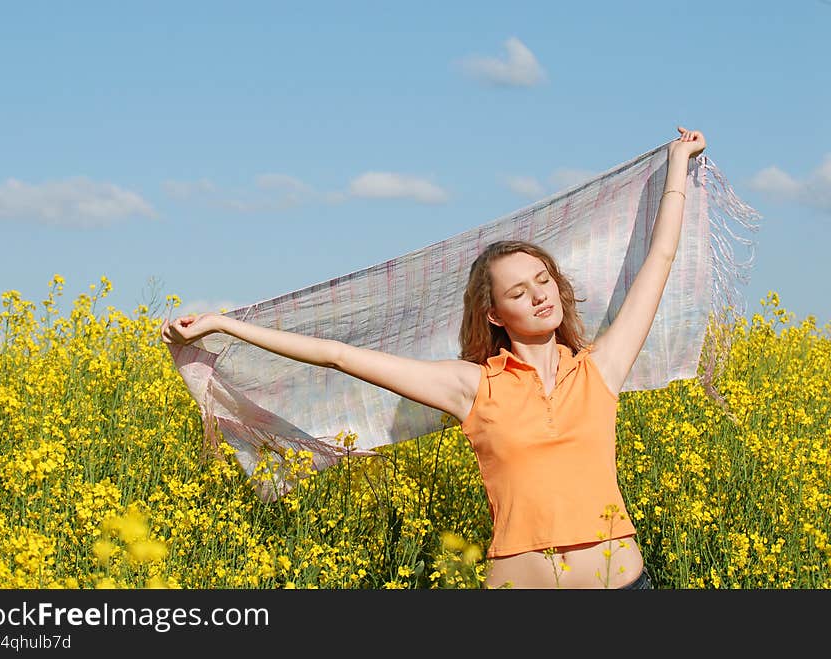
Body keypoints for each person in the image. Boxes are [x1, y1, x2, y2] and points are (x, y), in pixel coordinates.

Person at [161, 126, 707, 589]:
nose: (540, 296)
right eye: (519, 292)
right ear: (493, 314)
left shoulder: (600, 369)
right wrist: (221, 324)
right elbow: (336, 356)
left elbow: (660, 258)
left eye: (544, 281)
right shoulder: (472, 387)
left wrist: (677, 166)